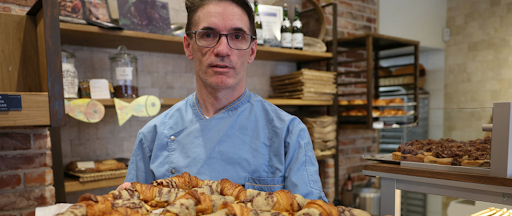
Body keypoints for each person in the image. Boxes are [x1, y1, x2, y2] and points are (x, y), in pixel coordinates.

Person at [119, 0, 327, 202]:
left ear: (252, 50)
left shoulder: (289, 134)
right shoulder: (152, 137)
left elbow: (313, 210)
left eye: (237, 36)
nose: (222, 50)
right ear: (188, 46)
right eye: (208, 35)